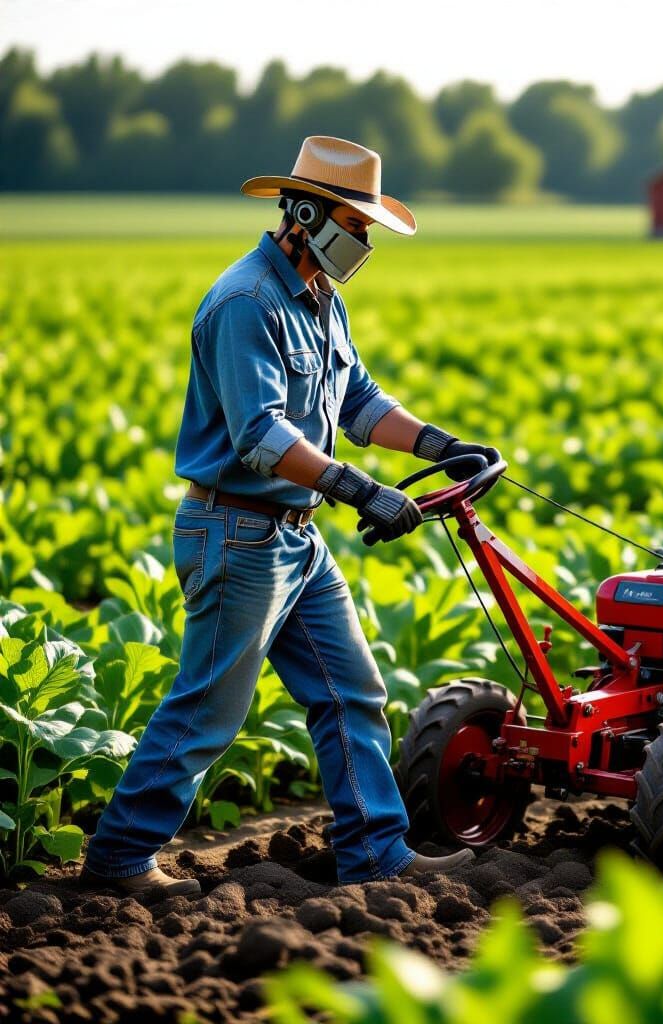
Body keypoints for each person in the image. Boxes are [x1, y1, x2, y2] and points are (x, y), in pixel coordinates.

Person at [81, 136, 498, 895]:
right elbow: (262, 435)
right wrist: (362, 489)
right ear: (305, 213)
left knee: (352, 692)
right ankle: (118, 859)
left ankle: (376, 852)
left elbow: (359, 399)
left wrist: (442, 444)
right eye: (356, 224)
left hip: (294, 540)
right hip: (236, 533)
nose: (365, 242)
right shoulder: (247, 302)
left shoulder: (320, 298)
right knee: (209, 709)